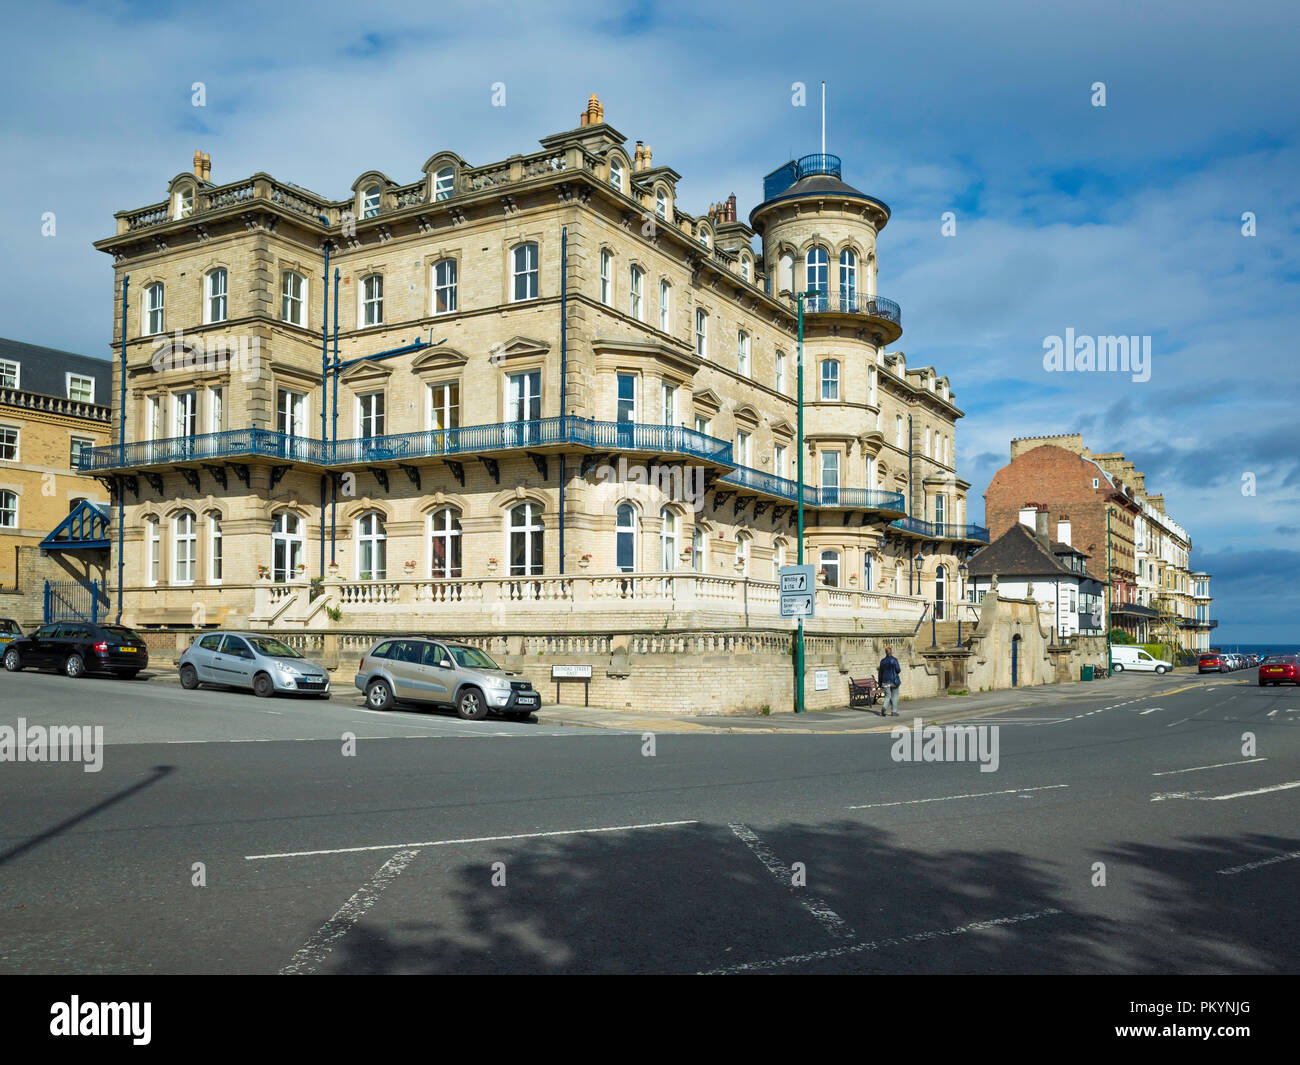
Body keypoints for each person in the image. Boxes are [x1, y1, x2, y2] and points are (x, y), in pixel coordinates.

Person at [878, 645, 902, 717]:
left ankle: (884, 707)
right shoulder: (894, 660)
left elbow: (880, 673)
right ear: (891, 652)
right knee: (894, 696)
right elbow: (898, 670)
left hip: (885, 681)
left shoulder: (882, 661)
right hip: (893, 681)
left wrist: (880, 682)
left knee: (888, 695)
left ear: (885, 653)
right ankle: (894, 711)